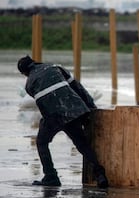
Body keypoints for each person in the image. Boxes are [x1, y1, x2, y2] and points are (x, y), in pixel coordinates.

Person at [17, 55, 109, 188]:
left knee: (41, 142)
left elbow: (47, 103)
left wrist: (47, 122)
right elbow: (78, 88)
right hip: (74, 109)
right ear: (35, 62)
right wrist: (91, 108)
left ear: (24, 73)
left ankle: (51, 177)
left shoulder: (29, 84)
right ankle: (100, 174)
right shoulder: (55, 67)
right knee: (82, 144)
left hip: (54, 116)